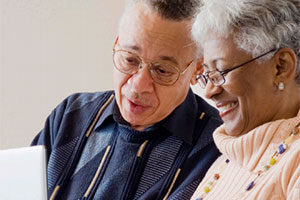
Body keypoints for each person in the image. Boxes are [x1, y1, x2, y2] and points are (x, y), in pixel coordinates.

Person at [31, 0, 222, 199]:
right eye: (130, 60)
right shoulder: (70, 116)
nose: (138, 85)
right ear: (116, 44)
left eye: (162, 70)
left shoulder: (218, 147)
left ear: (197, 69)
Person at [190, 0, 300, 199]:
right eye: (207, 75)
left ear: (281, 67)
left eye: (221, 71)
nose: (209, 91)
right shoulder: (225, 161)